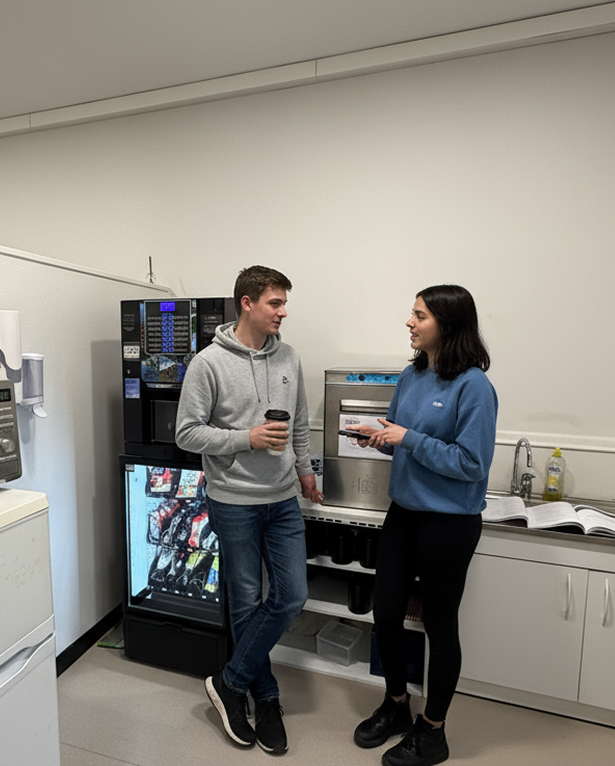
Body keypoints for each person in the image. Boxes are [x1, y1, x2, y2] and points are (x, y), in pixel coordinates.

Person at [175, 265, 323, 755]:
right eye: (275, 303)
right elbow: (187, 433)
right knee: (244, 603)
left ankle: (229, 682)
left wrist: (304, 469)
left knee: (290, 596)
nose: (283, 312)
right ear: (247, 303)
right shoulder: (208, 364)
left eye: (284, 304)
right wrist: (247, 438)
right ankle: (267, 696)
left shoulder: (291, 358)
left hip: (281, 499)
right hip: (233, 501)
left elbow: (299, 420)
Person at [348, 284, 497, 766]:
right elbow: (401, 438)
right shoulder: (412, 376)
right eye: (411, 314)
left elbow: (472, 463)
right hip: (404, 513)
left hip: (448, 522)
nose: (409, 323)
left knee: (438, 623)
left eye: (419, 316)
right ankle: (396, 705)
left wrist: (407, 438)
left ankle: (433, 731)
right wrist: (380, 438)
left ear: (448, 325)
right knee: (386, 613)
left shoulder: (474, 386)